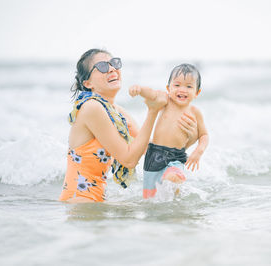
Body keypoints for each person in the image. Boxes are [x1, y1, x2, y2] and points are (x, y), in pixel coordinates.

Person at [59, 49, 198, 203]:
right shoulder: (92, 107)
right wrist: (152, 111)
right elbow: (129, 159)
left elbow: (152, 150)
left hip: (97, 203)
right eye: (103, 66)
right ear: (88, 83)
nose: (112, 69)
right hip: (79, 204)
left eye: (114, 63)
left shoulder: (116, 111)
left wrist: (188, 140)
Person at [129, 63, 209, 199]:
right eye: (177, 85)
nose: (182, 90)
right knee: (150, 199)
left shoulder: (195, 112)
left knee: (174, 177)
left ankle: (176, 198)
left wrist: (198, 152)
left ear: (197, 92)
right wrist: (140, 90)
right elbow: (152, 94)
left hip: (176, 156)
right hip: (154, 154)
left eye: (188, 86)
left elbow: (204, 135)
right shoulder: (166, 101)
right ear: (168, 88)